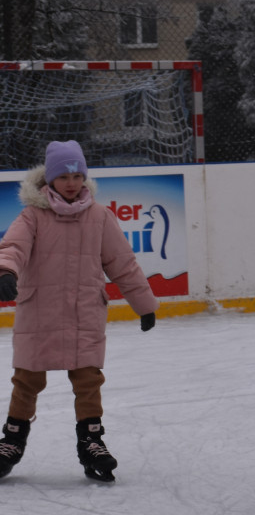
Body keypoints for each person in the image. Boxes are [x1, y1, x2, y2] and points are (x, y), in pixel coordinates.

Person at [0, 140, 158, 482]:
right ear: (50, 179)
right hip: (38, 312)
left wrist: (143, 304)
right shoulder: (33, 216)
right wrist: (5, 271)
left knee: (88, 381)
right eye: (63, 176)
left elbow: (123, 264)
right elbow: (13, 246)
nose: (71, 182)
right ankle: (11, 442)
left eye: (77, 175)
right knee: (26, 380)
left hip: (85, 314)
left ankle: (91, 441)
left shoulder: (100, 217)